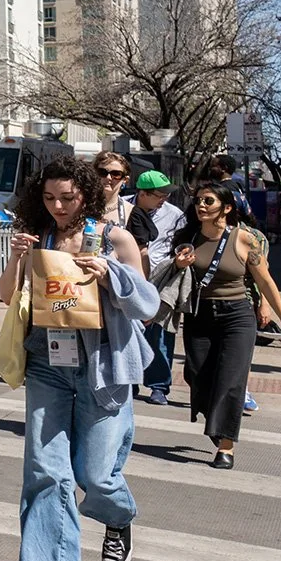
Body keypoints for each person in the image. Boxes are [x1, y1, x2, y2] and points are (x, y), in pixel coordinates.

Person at [4, 155, 156, 561]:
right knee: (47, 469)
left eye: (67, 198)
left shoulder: (114, 238)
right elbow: (10, 294)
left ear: (86, 194)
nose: (58, 207)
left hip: (104, 365)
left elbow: (147, 304)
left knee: (95, 473)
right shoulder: (40, 238)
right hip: (47, 362)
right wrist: (17, 259)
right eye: (49, 198)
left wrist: (112, 274)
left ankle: (119, 516)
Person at [169, 181, 281, 469]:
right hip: (199, 315)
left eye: (209, 202)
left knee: (230, 380)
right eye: (199, 201)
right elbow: (171, 276)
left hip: (237, 316)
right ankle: (219, 423)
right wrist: (179, 264)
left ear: (226, 208)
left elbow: (265, 280)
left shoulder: (244, 240)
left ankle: (226, 446)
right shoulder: (187, 236)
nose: (201, 206)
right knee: (197, 376)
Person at [128, 172, 186, 404]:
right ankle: (129, 381)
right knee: (129, 333)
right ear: (142, 193)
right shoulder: (123, 208)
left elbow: (181, 243)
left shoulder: (174, 215)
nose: (164, 199)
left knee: (160, 332)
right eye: (159, 195)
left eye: (166, 194)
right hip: (130, 278)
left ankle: (158, 385)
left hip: (160, 278)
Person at [93, 153, 135, 224]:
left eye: (116, 174)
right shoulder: (78, 206)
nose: (108, 177)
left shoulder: (131, 212)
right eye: (102, 172)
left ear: (125, 180)